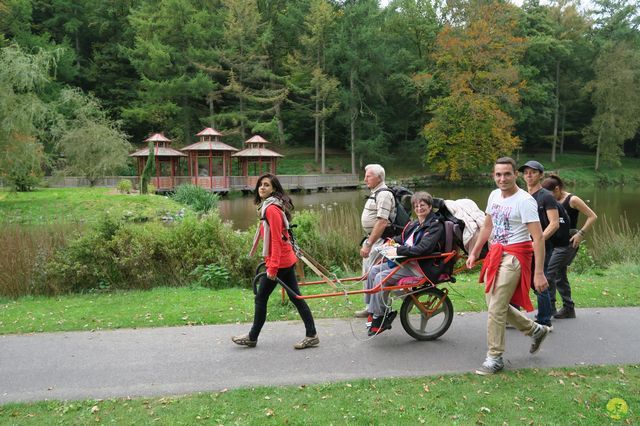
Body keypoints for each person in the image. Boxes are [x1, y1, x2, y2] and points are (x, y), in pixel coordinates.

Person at [466, 157, 551, 376]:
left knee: (495, 307)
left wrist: (539, 273)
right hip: (496, 253)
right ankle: (535, 330)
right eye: (498, 174)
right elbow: (487, 226)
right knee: (493, 302)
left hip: (515, 256)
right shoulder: (494, 195)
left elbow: (538, 238)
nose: (502, 178)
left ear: (515, 175)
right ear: (493, 176)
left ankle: (495, 358)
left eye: (507, 174)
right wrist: (475, 251)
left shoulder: (524, 201)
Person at [232, 173, 319, 350]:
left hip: (280, 262)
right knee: (296, 297)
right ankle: (312, 334)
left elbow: (277, 240)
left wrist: (272, 267)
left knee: (261, 297)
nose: (262, 188)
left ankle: (252, 337)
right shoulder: (269, 206)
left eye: (266, 185)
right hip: (285, 261)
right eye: (260, 185)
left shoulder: (271, 209)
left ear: (274, 189)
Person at [365, 192, 444, 336]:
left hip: (419, 267)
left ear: (430, 206)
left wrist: (398, 249)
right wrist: (390, 243)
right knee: (373, 271)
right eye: (416, 206)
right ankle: (372, 310)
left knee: (380, 278)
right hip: (405, 261)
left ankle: (380, 316)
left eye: (423, 205)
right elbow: (401, 238)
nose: (419, 208)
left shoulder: (435, 226)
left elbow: (423, 249)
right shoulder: (414, 223)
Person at [520, 160, 570, 329]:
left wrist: (538, 241)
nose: (528, 175)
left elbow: (554, 223)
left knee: (539, 283)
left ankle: (544, 320)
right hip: (523, 246)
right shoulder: (522, 195)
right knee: (515, 279)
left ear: (540, 175)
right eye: (526, 172)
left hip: (541, 247)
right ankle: (512, 315)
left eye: (533, 172)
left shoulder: (546, 196)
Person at [542, 174, 598, 319]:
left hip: (569, 243)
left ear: (557, 189)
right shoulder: (550, 201)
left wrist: (581, 233)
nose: (548, 197)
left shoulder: (572, 200)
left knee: (549, 273)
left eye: (550, 194)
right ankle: (568, 308)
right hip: (555, 243)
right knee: (559, 275)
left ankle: (550, 308)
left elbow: (592, 216)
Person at [355, 164, 396, 319]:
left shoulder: (384, 194)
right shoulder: (376, 193)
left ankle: (381, 309)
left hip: (380, 241)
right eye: (365, 175)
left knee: (376, 274)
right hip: (374, 239)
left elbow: (382, 222)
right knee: (368, 274)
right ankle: (371, 307)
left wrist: (368, 244)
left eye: (369, 175)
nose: (365, 178)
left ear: (379, 177)